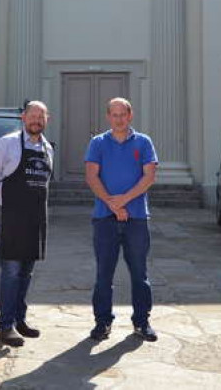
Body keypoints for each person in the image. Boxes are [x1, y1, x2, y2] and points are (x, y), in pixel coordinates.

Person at [84, 97, 159, 342]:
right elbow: (92, 177)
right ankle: (102, 323)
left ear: (130, 115)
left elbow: (149, 177)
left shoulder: (143, 142)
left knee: (139, 273)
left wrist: (122, 201)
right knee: (104, 273)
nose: (119, 119)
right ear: (108, 117)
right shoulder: (97, 143)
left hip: (136, 218)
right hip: (104, 218)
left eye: (123, 114)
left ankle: (141, 322)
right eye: (114, 115)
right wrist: (112, 204)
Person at [0, 101, 53, 347]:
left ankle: (20, 320)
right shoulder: (8, 143)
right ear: (23, 118)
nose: (36, 120)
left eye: (40, 116)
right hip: (11, 216)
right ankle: (6, 326)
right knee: (11, 272)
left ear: (47, 120)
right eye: (32, 115)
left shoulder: (47, 148)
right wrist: (3, 201)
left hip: (35, 219)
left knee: (27, 272)